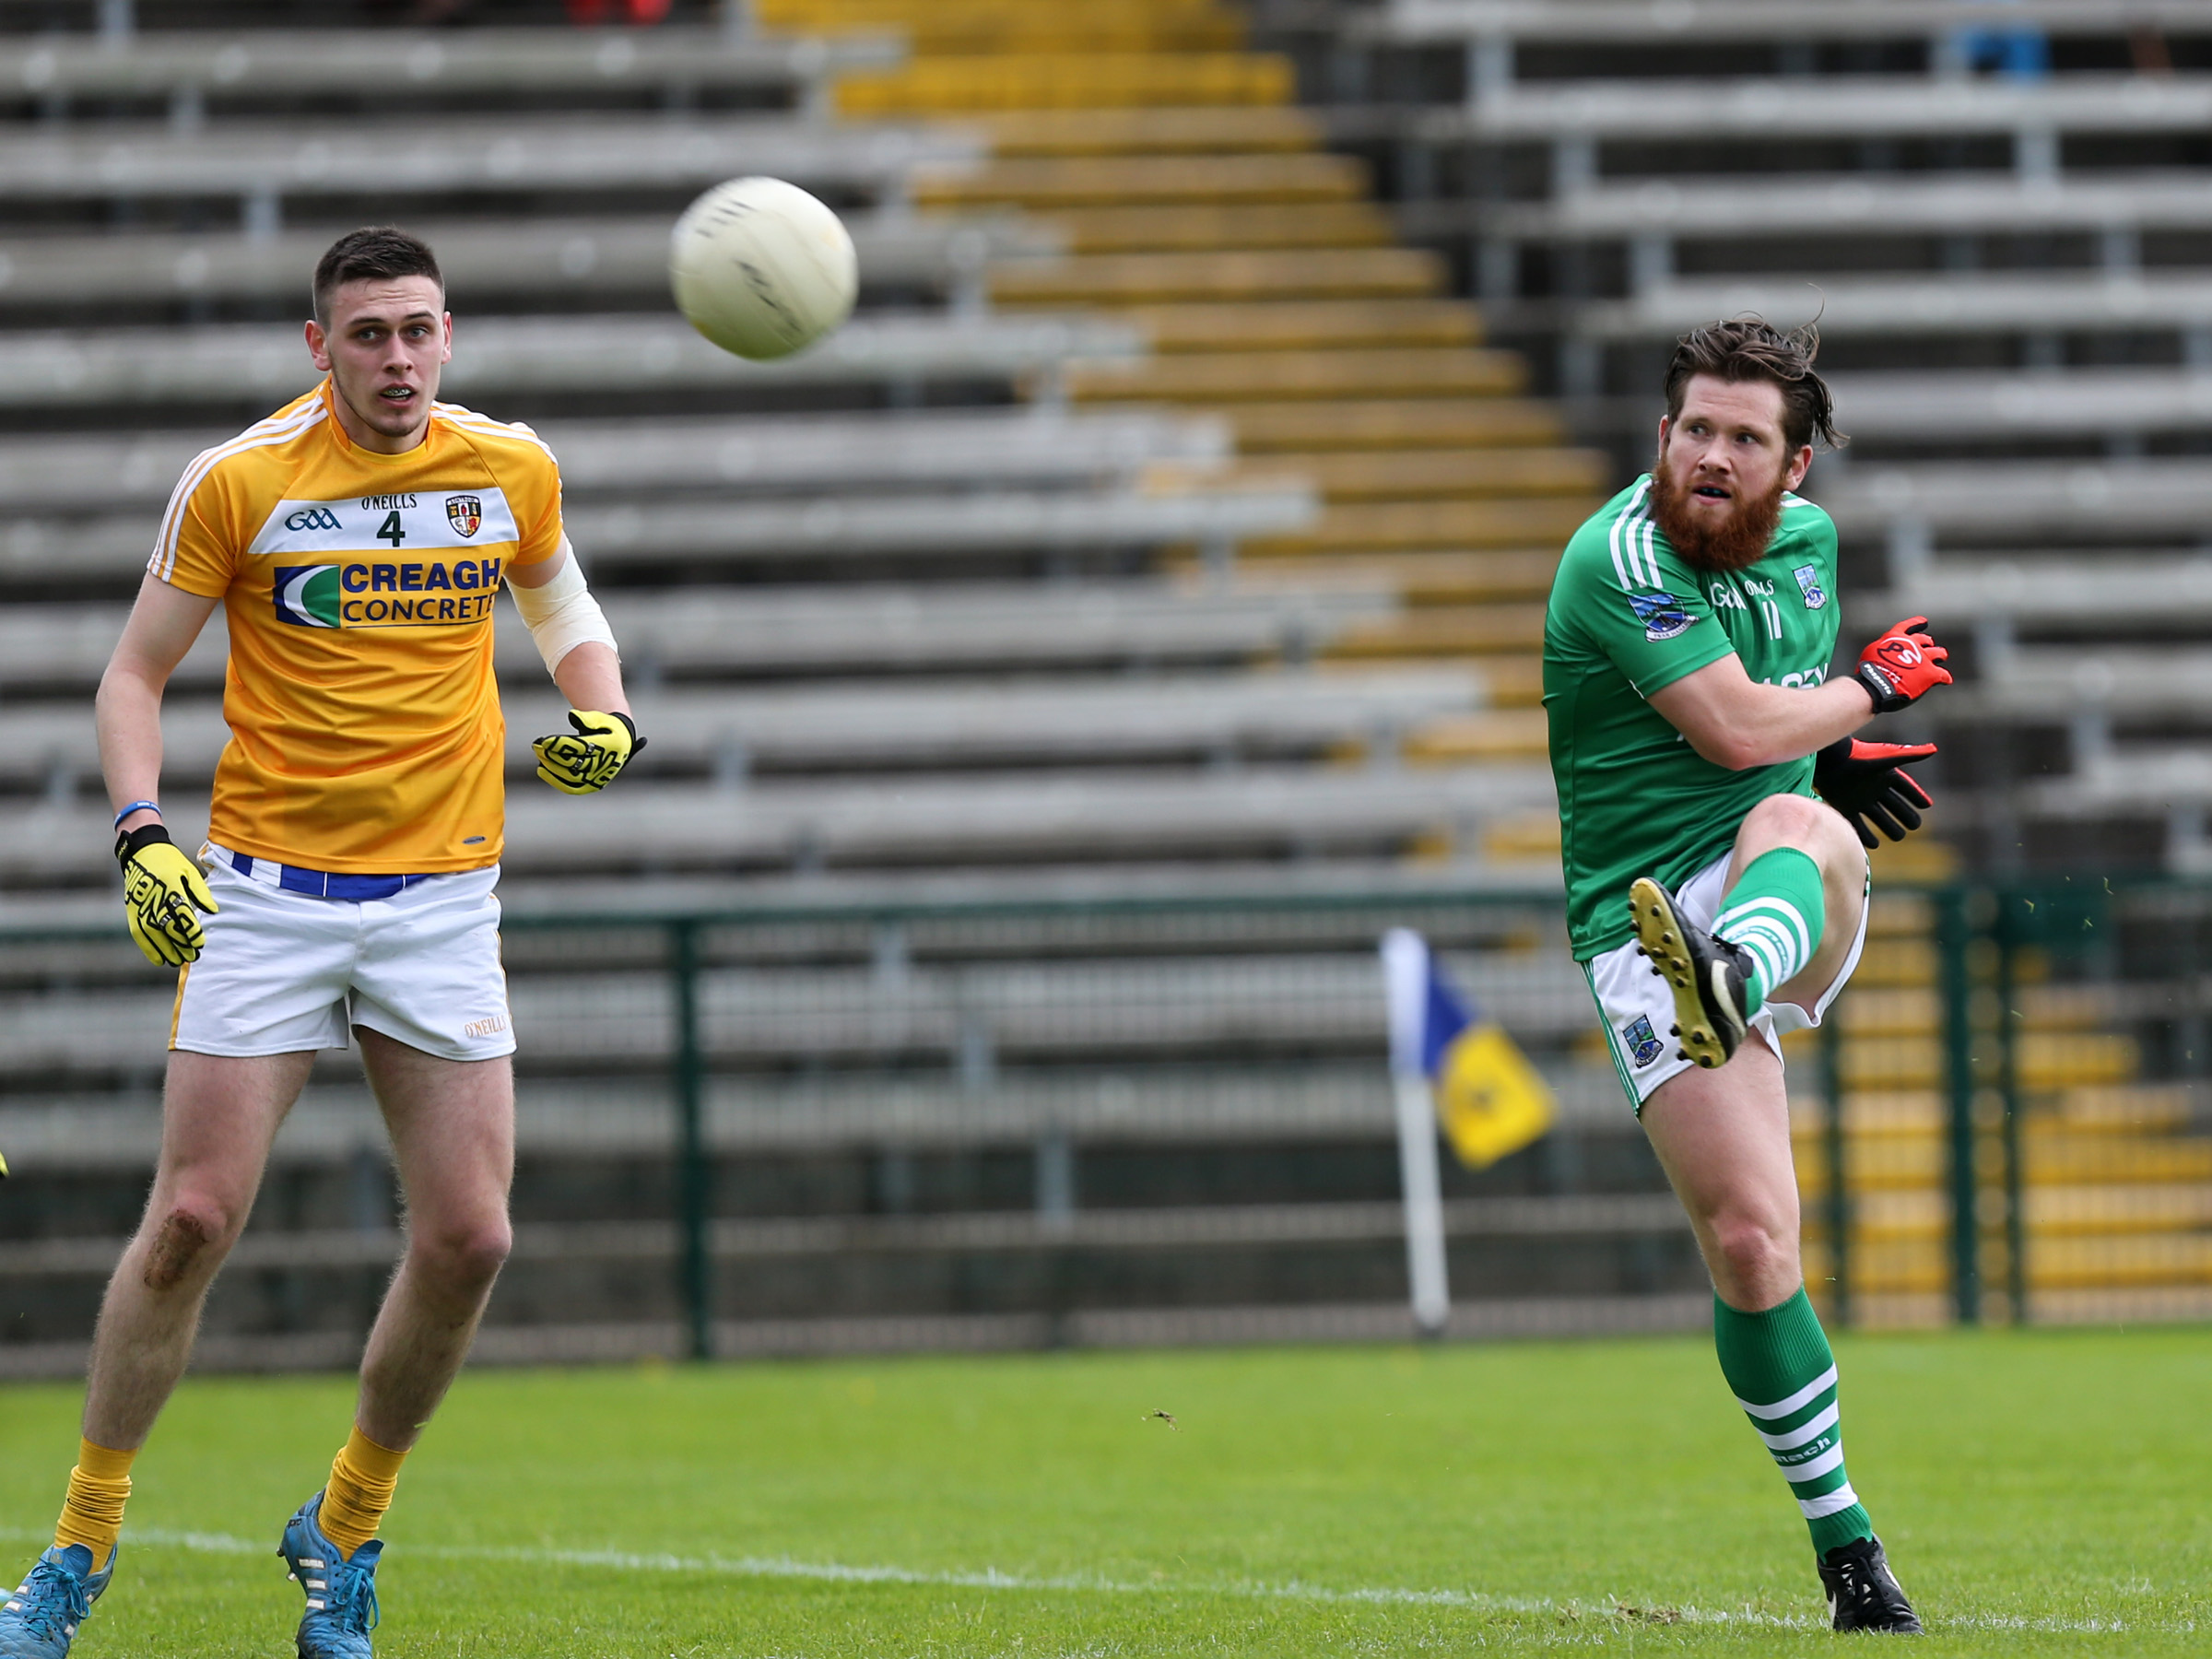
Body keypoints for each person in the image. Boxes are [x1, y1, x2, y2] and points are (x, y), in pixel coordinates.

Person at [0, 226, 646, 1659]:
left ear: (449, 334)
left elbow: (564, 603)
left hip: (441, 899)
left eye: (419, 331)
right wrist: (140, 833)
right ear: (319, 347)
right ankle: (77, 1547)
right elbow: (131, 674)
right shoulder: (243, 482)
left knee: (474, 1236)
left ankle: (344, 1526)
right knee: (189, 1223)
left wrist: (598, 704)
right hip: (268, 897)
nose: (399, 360)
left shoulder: (507, 469)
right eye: (369, 335)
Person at [1543, 318, 1949, 1634]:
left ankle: (1735, 970)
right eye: (1694, 430)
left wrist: (1823, 763)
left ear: (1797, 470)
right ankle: (1848, 1555)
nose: (1711, 455)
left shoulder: (1810, 552)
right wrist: (1866, 695)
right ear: (1661, 437)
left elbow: (1768, 736)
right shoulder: (1616, 558)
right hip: (1641, 922)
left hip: (1771, 886)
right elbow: (1729, 725)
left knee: (1796, 826)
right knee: (1751, 1243)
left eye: (1744, 438)